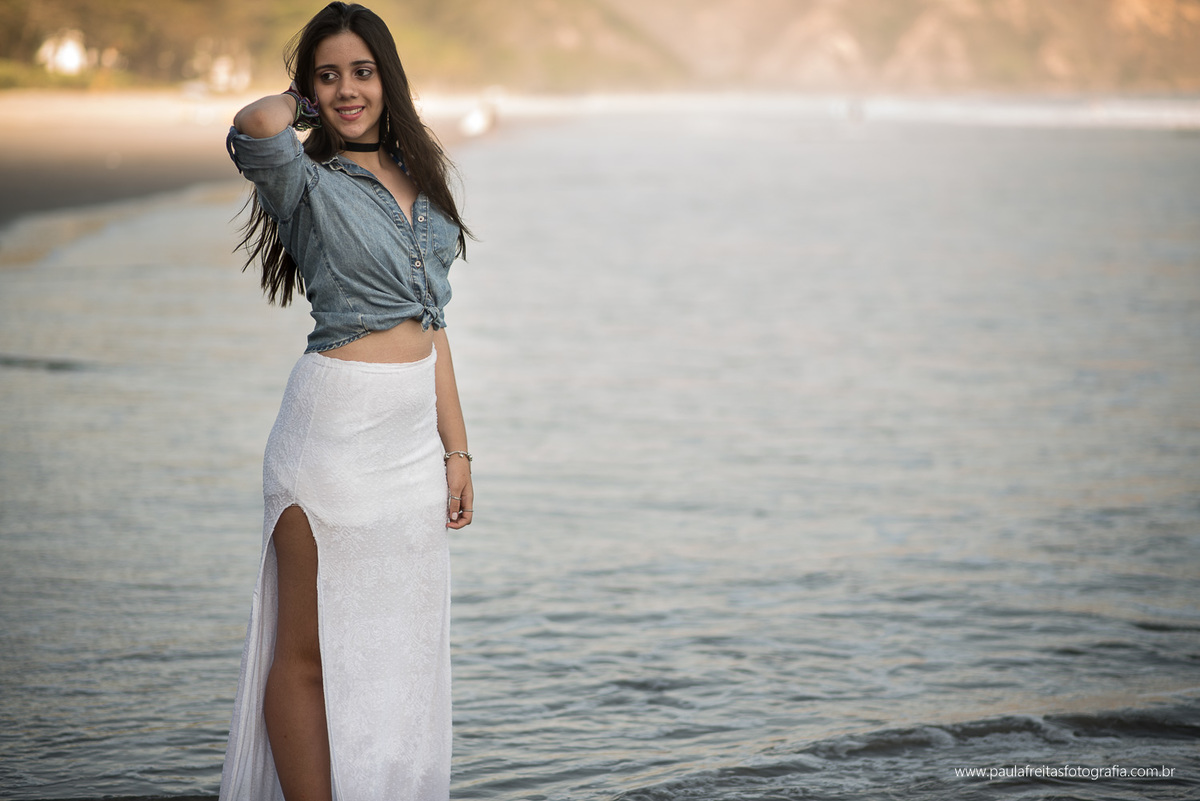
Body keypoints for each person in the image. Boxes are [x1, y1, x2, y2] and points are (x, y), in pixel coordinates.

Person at [218, 4, 473, 799]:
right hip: (330, 433)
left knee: (393, 649)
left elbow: (432, 327)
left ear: (387, 77)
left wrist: (456, 450)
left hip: (407, 449)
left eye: (363, 71)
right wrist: (301, 103)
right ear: (310, 87)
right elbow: (255, 123)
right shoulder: (305, 179)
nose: (347, 89)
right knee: (308, 649)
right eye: (329, 75)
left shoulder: (422, 180)